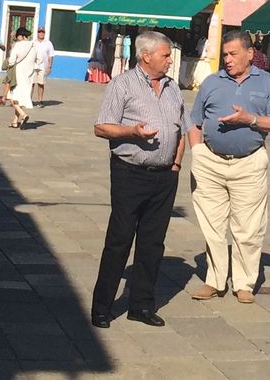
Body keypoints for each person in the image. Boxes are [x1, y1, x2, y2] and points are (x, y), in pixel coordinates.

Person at [89, 31, 186, 329]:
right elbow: (102, 127)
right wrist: (132, 132)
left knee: (153, 243)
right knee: (119, 239)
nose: (170, 60)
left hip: (164, 176)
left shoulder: (172, 87)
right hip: (130, 172)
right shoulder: (122, 84)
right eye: (165, 55)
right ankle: (102, 307)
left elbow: (182, 127)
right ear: (146, 56)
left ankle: (141, 305)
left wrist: (176, 163)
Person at [188, 30, 270, 305]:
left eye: (233, 54)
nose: (228, 60)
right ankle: (214, 280)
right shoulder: (211, 82)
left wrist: (249, 120)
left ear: (250, 53)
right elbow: (194, 121)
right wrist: (197, 152)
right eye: (225, 55)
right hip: (210, 162)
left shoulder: (268, 82)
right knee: (212, 226)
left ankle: (243, 283)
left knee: (249, 228)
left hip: (249, 163)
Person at [6, 26, 38, 128]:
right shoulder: (34, 45)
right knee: (20, 98)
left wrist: (9, 65)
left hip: (18, 74)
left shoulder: (18, 45)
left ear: (21, 36)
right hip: (29, 75)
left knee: (12, 98)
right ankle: (15, 121)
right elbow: (39, 59)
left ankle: (23, 115)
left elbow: (12, 60)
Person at [32, 26, 55, 106]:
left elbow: (51, 56)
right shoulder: (33, 42)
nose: (41, 33)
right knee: (31, 83)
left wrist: (49, 66)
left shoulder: (48, 43)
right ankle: (29, 100)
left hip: (43, 66)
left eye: (42, 32)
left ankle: (40, 100)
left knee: (41, 84)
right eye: (39, 32)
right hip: (33, 66)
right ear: (37, 33)